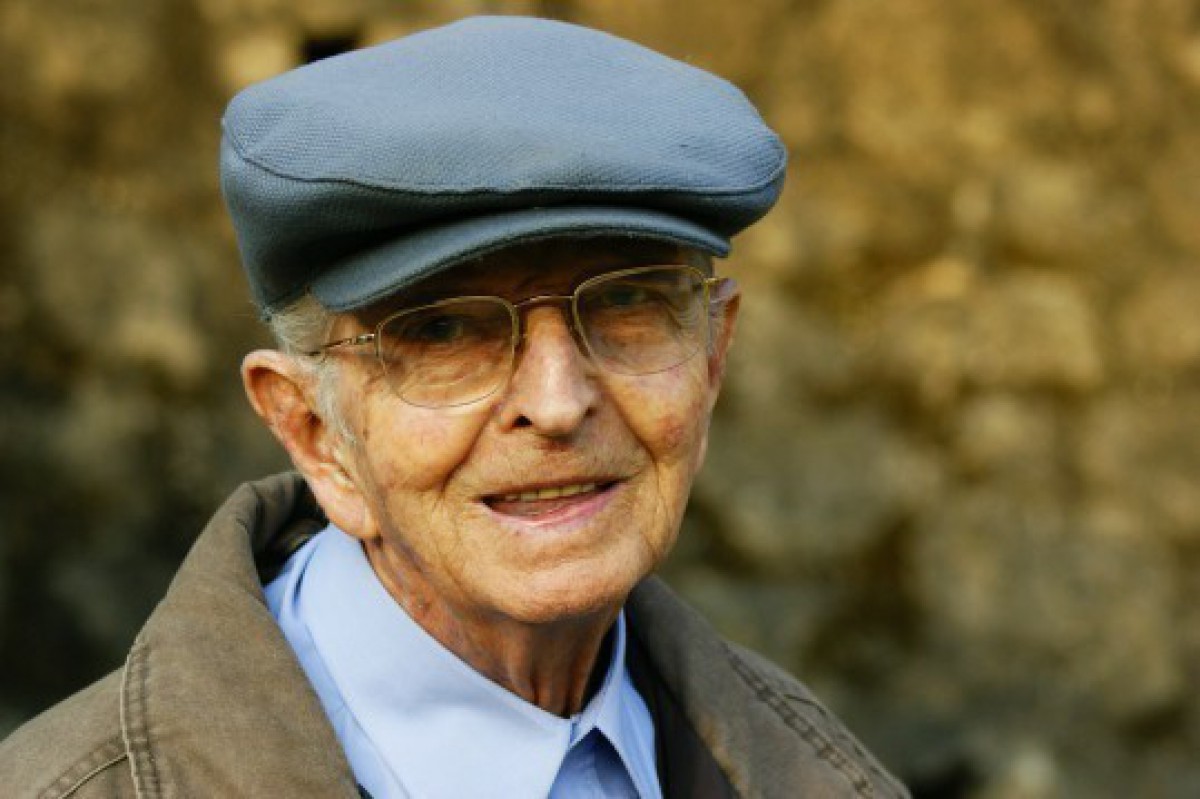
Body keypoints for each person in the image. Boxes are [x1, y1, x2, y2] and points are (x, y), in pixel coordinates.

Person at [0, 16, 908, 799]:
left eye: (626, 302)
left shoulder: (817, 772)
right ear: (314, 435)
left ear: (711, 360)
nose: (557, 403)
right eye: (443, 331)